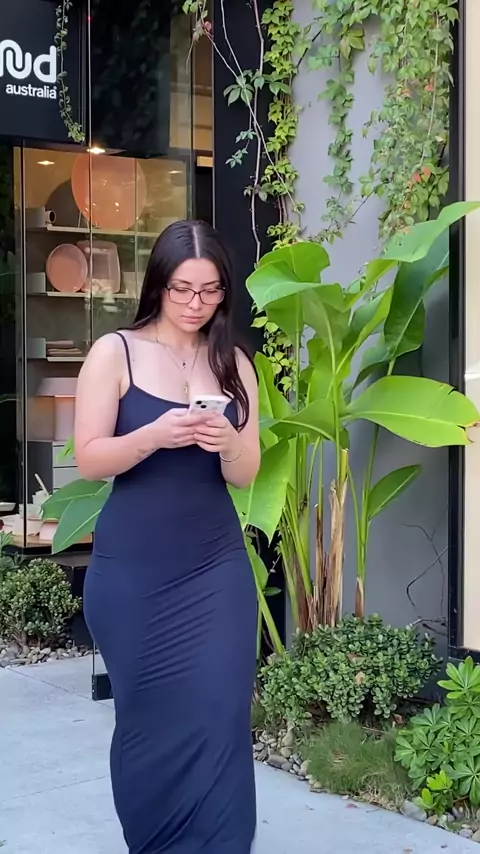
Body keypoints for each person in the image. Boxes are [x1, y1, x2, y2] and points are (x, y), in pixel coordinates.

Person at [75, 219, 260, 854]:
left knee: (221, 713)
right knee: (149, 720)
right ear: (158, 284)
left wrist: (227, 441)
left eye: (209, 291)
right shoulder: (116, 352)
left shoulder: (234, 363)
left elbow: (245, 473)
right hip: (134, 572)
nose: (195, 303)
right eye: (183, 289)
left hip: (215, 568)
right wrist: (153, 436)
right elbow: (90, 458)